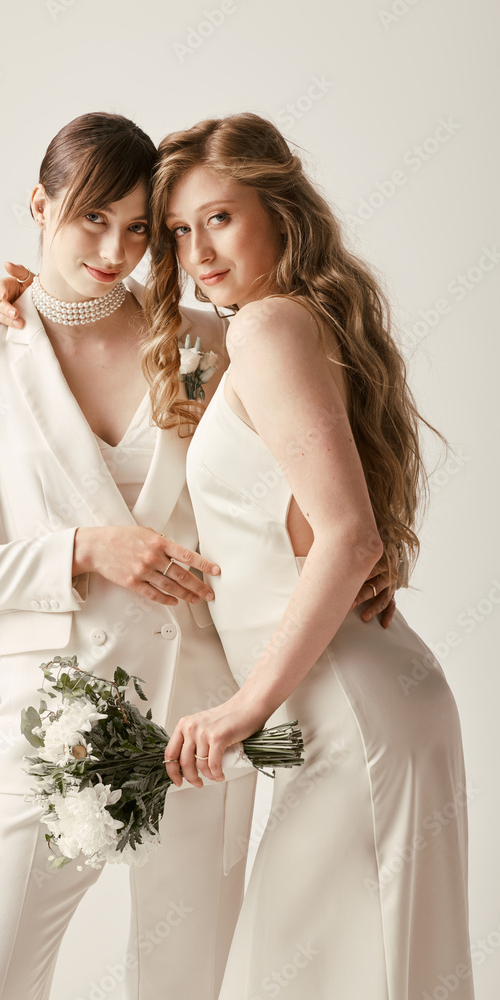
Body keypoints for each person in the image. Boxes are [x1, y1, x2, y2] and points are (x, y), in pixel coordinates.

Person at [0, 113, 396, 1000]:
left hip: (202, 724)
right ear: (39, 206)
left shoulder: (204, 339)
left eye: (139, 227)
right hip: (53, 726)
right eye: (88, 219)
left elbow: (313, 441)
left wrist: (365, 545)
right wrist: (81, 549)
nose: (115, 249)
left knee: (181, 987)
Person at [141, 113, 475, 999]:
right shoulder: (266, 327)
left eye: (218, 217)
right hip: (346, 704)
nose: (197, 251)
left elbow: (351, 536)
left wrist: (243, 708)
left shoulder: (266, 330)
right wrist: (27, 302)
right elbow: (140, 322)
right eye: (177, 230)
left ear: (278, 211)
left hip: (344, 710)